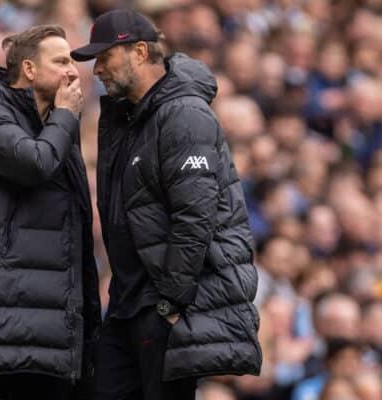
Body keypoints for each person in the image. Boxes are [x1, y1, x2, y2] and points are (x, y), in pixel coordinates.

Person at [71, 9, 262, 400]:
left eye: (104, 58)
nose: (97, 70)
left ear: (139, 52)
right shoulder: (131, 119)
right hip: (129, 305)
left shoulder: (183, 115)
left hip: (160, 306)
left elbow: (195, 216)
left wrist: (171, 304)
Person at [0, 25, 101, 399]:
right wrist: (64, 117)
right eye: (60, 62)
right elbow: (34, 165)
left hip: (49, 341)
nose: (73, 72)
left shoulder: (56, 124)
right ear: (28, 69)